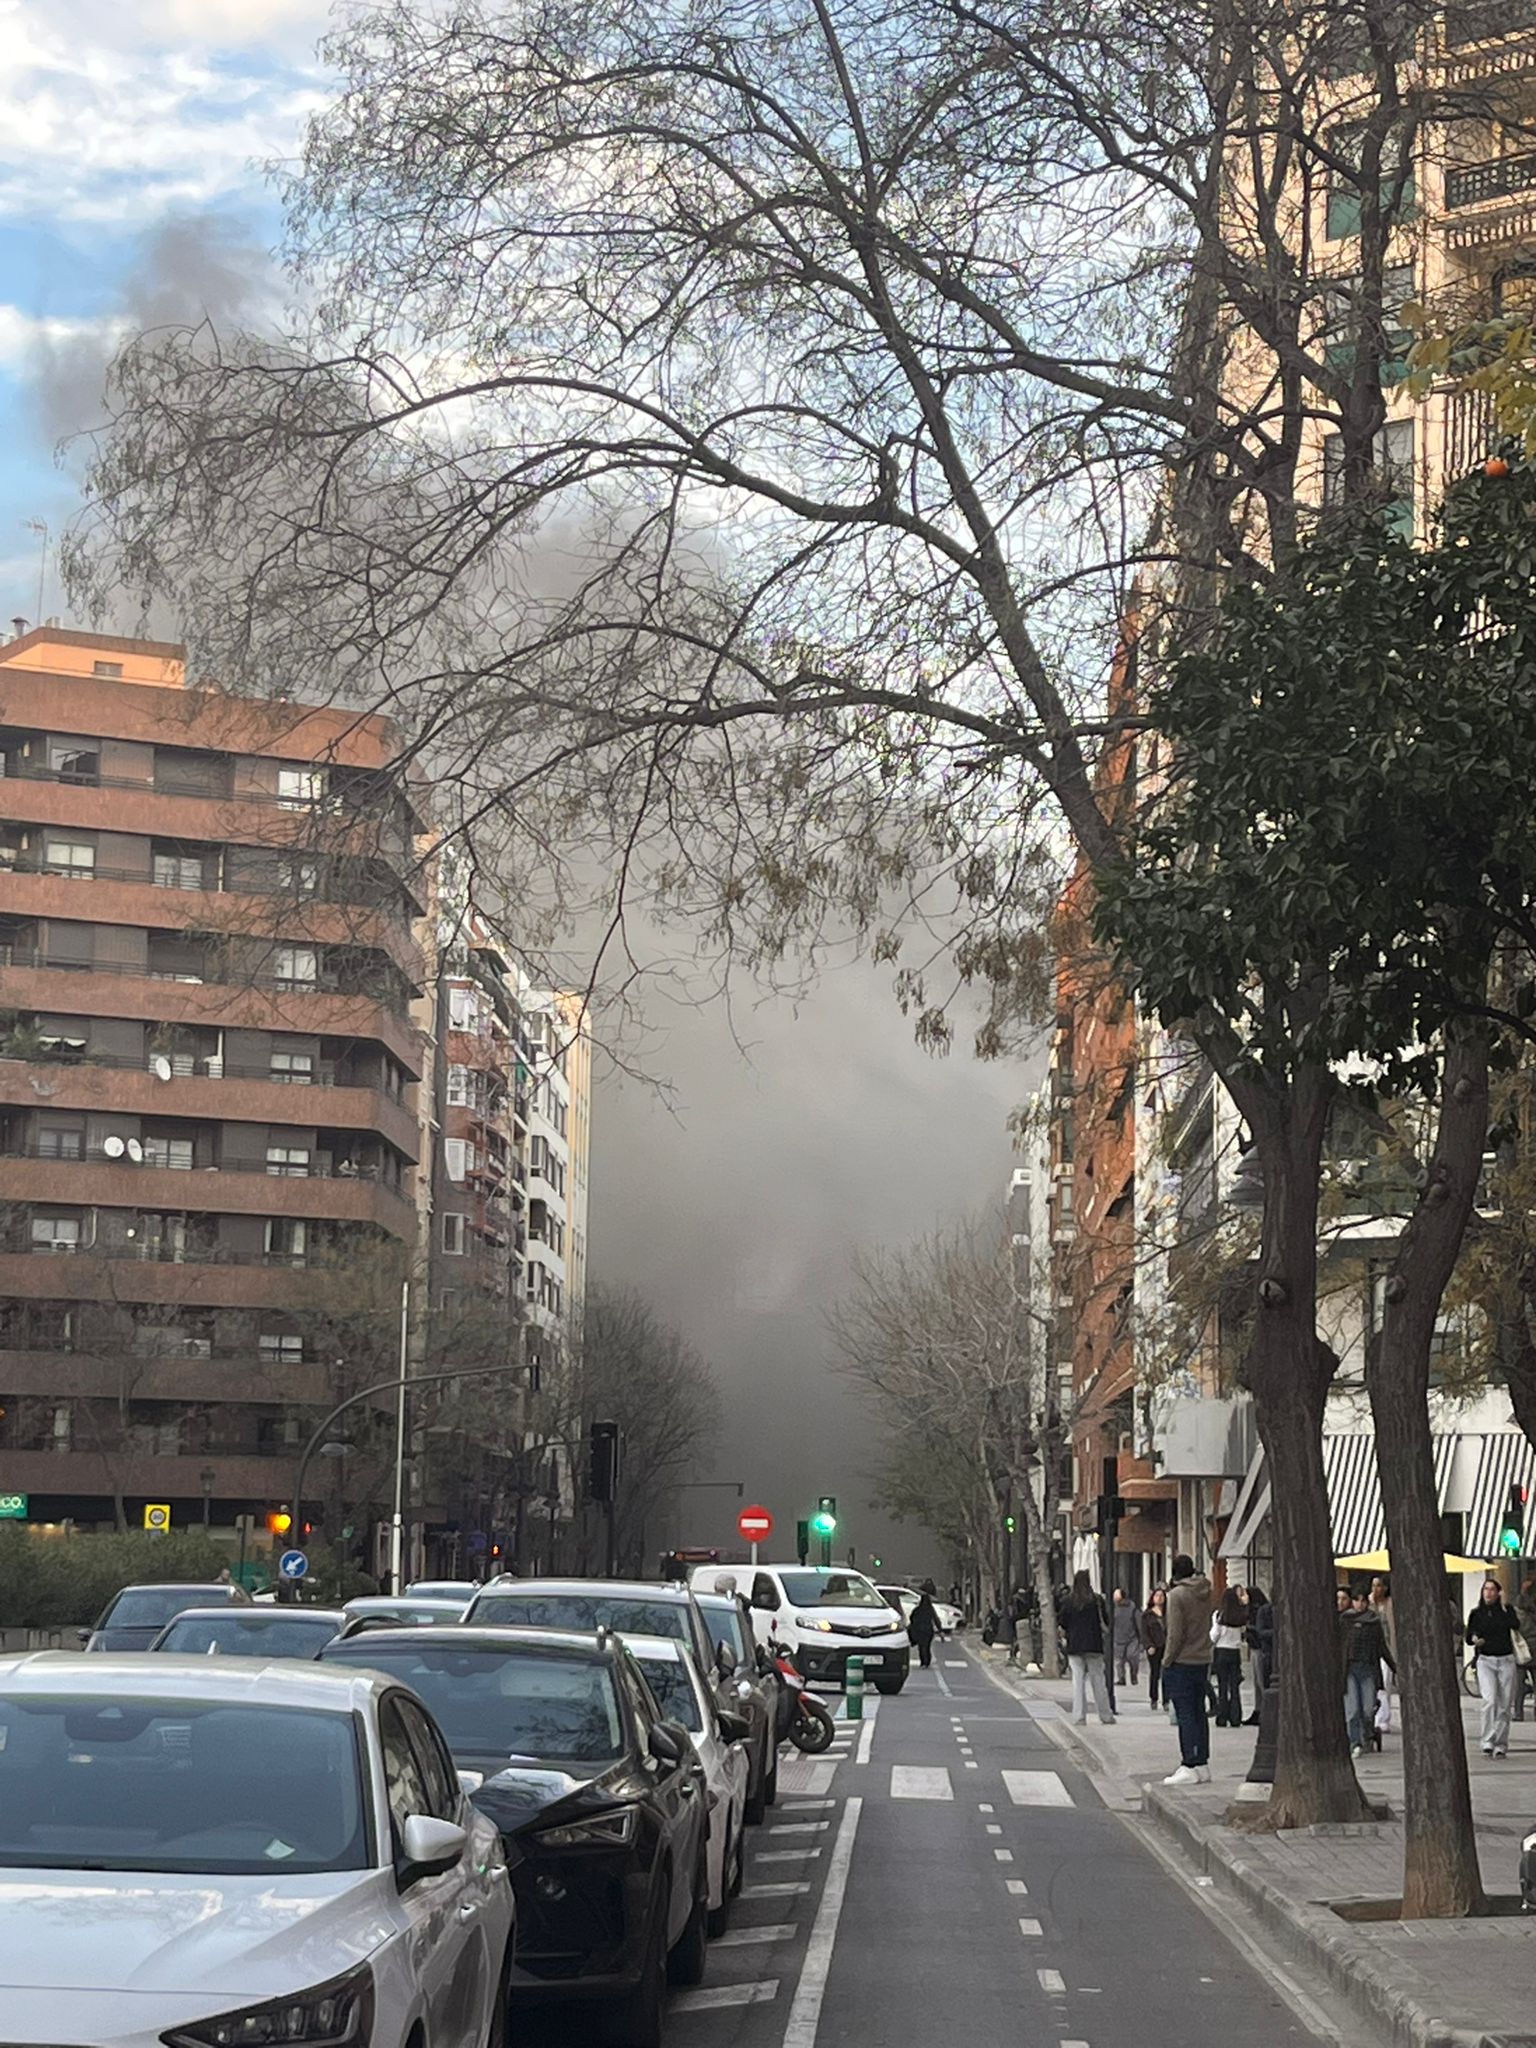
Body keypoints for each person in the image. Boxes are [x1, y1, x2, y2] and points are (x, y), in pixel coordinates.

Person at [1161, 1553, 1214, 1785]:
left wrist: (1166, 1660)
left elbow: (1175, 1633)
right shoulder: (1206, 1592)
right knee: (1198, 1711)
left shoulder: (1177, 1595)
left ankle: (1189, 1763)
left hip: (1182, 1660)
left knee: (1185, 1714)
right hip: (1202, 1658)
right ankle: (1201, 1761)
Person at [1467, 1575, 1522, 1760]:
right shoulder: (1477, 1613)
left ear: (1499, 1593)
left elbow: (1515, 1625)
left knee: (1505, 1705)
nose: (1488, 1593)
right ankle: (1487, 1741)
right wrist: (1475, 1638)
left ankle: (1500, 1743)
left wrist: (1505, 1606)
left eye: (1492, 1589)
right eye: (1485, 1589)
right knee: (1489, 1700)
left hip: (1506, 1660)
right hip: (1486, 1661)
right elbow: (1469, 1637)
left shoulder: (1507, 1610)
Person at [1342, 1585, 1394, 1759]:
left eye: (1363, 1600)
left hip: (1368, 1669)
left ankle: (1367, 1735)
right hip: (1349, 1669)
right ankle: (1354, 1742)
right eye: (1356, 1600)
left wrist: (1395, 1667)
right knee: (1352, 1709)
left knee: (1366, 1708)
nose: (1359, 1604)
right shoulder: (1345, 1621)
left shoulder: (1374, 1622)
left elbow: (1382, 1647)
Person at [1059, 1571, 1115, 1725]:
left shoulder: (1068, 1601)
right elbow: (1106, 1620)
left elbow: (1062, 1622)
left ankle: (1079, 1716)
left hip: (1075, 1646)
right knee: (1098, 1681)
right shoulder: (1097, 1600)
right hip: (1094, 1645)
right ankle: (1105, 1715)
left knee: (1078, 1682)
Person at [1210, 1586, 1248, 1727]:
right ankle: (1235, 1716)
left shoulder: (1220, 1615)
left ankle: (1222, 1716)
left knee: (1222, 1685)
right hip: (1235, 1651)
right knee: (1234, 1685)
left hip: (1221, 1651)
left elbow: (1214, 1635)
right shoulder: (1239, 1616)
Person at [1244, 1585, 1274, 1724]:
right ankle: (1259, 1709)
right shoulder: (1262, 1609)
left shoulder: (1260, 1611)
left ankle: (1263, 1710)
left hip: (1260, 1648)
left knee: (1261, 1681)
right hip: (1257, 1648)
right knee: (1258, 1681)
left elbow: (1260, 1630)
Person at [1141, 1585, 1168, 1710]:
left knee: (1167, 1674)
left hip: (1167, 1646)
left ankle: (1167, 1699)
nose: (1159, 1598)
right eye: (1157, 1595)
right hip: (1154, 1647)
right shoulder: (1147, 1615)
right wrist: (1149, 1645)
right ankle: (1154, 1698)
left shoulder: (1169, 1613)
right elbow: (1144, 1632)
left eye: (1162, 1596)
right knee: (1155, 1673)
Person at [1111, 1587, 1143, 1688]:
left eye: (1116, 1595)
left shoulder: (1133, 1608)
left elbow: (1139, 1623)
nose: (1114, 1597)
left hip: (1131, 1638)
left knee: (1132, 1657)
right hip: (1117, 1637)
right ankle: (1121, 1678)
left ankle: (1133, 1675)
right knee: (1118, 1660)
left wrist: (1141, 1638)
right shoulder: (1112, 1608)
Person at [908, 1586, 939, 1669]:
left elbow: (911, 1617)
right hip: (928, 1631)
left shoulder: (917, 1609)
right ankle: (927, 1662)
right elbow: (936, 1619)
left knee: (921, 1647)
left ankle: (923, 1662)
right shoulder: (930, 1609)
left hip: (919, 1631)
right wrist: (940, 1629)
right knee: (927, 1647)